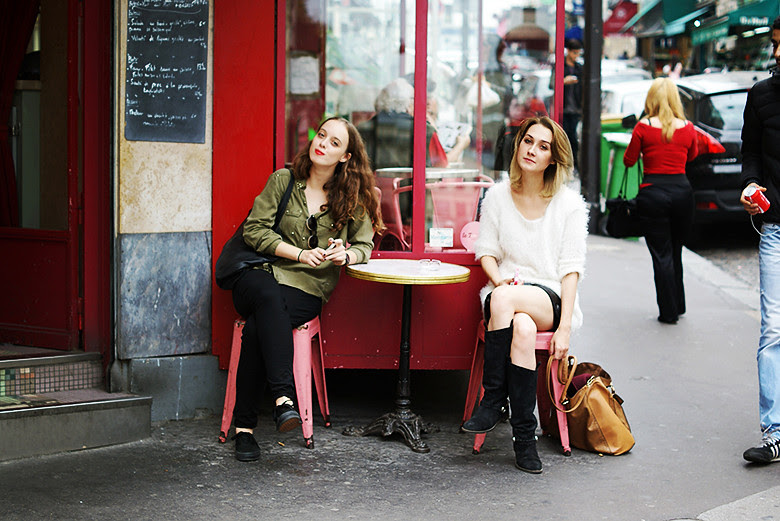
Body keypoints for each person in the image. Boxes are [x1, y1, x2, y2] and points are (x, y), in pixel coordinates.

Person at [230, 117, 382, 462]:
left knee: (256, 327)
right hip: (259, 275)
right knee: (267, 295)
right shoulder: (283, 180)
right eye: (321, 135)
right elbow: (254, 230)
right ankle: (284, 398)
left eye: (334, 142)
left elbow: (364, 246)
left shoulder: (352, 197)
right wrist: (298, 253)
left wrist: (344, 254)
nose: (322, 143)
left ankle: (245, 428)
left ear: (346, 157)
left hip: (307, 286)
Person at [461, 116, 588, 474]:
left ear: (553, 158)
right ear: (518, 145)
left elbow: (571, 269)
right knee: (522, 328)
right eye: (527, 141)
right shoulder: (498, 196)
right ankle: (523, 438)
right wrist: (498, 279)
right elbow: (487, 251)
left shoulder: (569, 204)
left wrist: (564, 328)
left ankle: (493, 400)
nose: (532, 150)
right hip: (507, 291)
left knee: (504, 301)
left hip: (549, 296)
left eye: (543, 146)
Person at [623, 77, 697, 325]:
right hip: (682, 194)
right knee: (676, 249)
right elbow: (693, 155)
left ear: (651, 99)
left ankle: (668, 312)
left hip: (652, 194)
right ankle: (679, 304)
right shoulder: (687, 126)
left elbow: (629, 160)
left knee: (661, 254)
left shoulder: (643, 127)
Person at [740, 15, 780, 464]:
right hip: (776, 230)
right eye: (775, 43)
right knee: (773, 330)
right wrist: (750, 184)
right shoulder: (761, 95)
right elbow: (750, 151)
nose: (778, 52)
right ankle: (775, 433)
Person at [494, 94, 548, 172]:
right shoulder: (514, 100)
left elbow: (544, 120)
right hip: (512, 131)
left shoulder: (535, 101)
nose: (531, 151)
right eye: (528, 141)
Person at [561, 39, 583, 170]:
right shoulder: (561, 66)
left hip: (575, 109)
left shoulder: (579, 68)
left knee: (573, 138)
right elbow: (552, 84)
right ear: (568, 51)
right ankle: (565, 164)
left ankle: (574, 165)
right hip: (563, 108)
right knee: (565, 137)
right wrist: (563, 81)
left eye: (578, 53)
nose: (576, 56)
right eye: (574, 53)